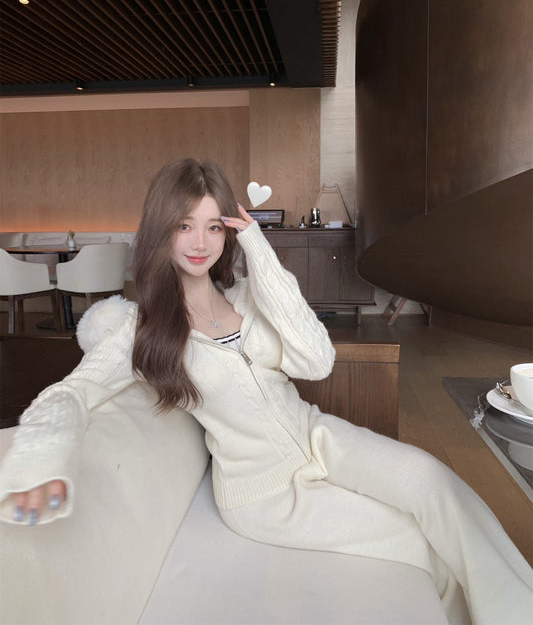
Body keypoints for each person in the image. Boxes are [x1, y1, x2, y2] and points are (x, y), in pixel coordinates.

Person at [0, 158, 531, 624]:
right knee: (420, 547)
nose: (200, 243)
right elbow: (72, 392)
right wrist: (36, 462)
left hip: (318, 438)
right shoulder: (142, 328)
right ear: (161, 231)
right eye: (184, 226)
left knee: (432, 481)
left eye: (213, 226)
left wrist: (259, 246)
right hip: (264, 494)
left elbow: (317, 360)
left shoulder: (252, 296)